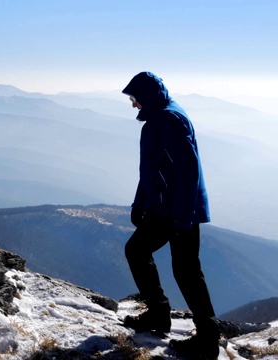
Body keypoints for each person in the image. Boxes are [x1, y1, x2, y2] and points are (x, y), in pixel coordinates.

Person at [121, 72, 220, 359]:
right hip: (165, 207)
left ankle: (205, 338)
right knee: (143, 254)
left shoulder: (169, 119)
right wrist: (139, 204)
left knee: (185, 271)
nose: (133, 105)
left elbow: (188, 173)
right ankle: (160, 315)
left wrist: (183, 217)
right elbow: (152, 169)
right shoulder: (159, 117)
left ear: (147, 97)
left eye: (134, 99)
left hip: (177, 211)